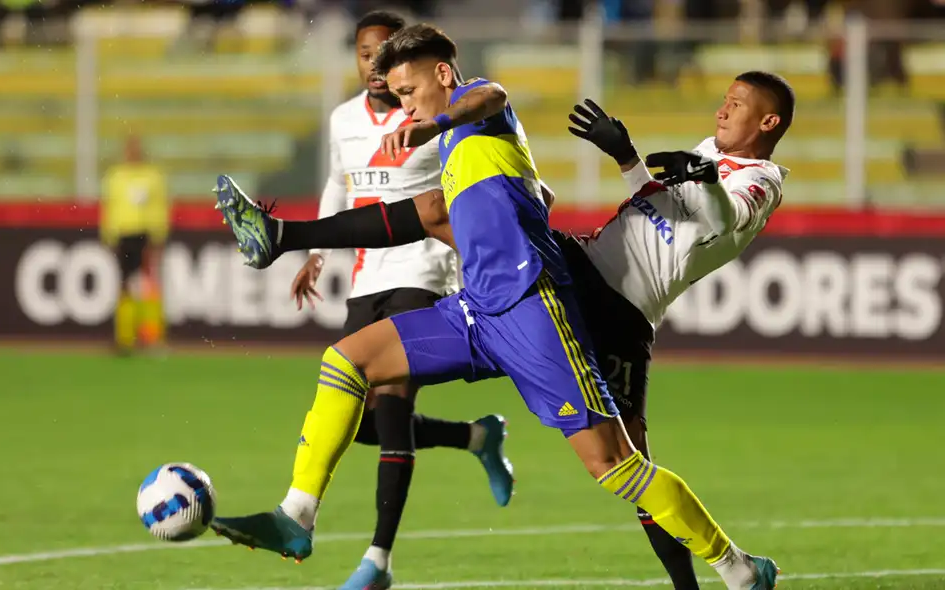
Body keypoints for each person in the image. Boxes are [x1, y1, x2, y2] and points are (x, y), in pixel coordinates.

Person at [211, 22, 781, 590]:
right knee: (348, 355)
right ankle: (297, 514)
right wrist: (621, 161)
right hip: (493, 301)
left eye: (408, 93)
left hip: (548, 303)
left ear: (441, 77)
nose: (402, 107)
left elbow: (494, 96)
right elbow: (658, 207)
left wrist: (432, 126)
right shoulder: (460, 143)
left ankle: (735, 568)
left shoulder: (473, 107)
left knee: (616, 463)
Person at [287, 9, 515, 583]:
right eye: (365, 54)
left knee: (391, 412)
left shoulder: (438, 112)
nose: (374, 64)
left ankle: (378, 558)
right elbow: (339, 182)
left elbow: (463, 181)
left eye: (384, 53)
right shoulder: (343, 120)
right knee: (358, 421)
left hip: (425, 267)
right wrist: (316, 253)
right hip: (367, 277)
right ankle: (476, 435)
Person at [99, 134, 169, 355]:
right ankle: (125, 338)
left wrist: (158, 234)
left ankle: (151, 338)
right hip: (123, 235)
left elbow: (159, 207)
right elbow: (110, 207)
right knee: (126, 286)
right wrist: (109, 235)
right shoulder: (116, 176)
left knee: (148, 287)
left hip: (145, 234)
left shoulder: (152, 176)